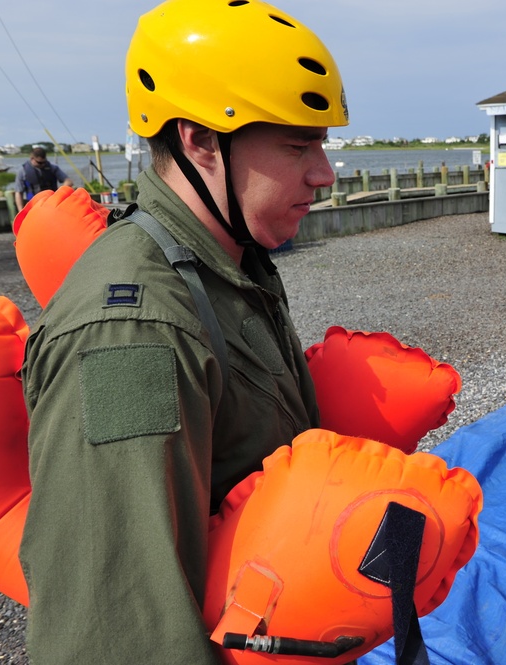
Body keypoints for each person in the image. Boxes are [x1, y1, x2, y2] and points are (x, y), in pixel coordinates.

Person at [17, 0, 348, 662]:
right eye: (296, 144)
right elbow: (113, 631)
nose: (324, 173)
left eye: (322, 143)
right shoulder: (133, 329)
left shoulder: (228, 261)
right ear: (199, 139)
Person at [14, 146, 73, 211]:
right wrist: (21, 210)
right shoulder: (23, 171)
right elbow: (18, 192)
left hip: (51, 204)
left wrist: (59, 194)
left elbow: (68, 181)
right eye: (39, 162)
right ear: (32, 158)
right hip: (33, 206)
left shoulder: (52, 168)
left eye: (44, 162)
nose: (42, 164)